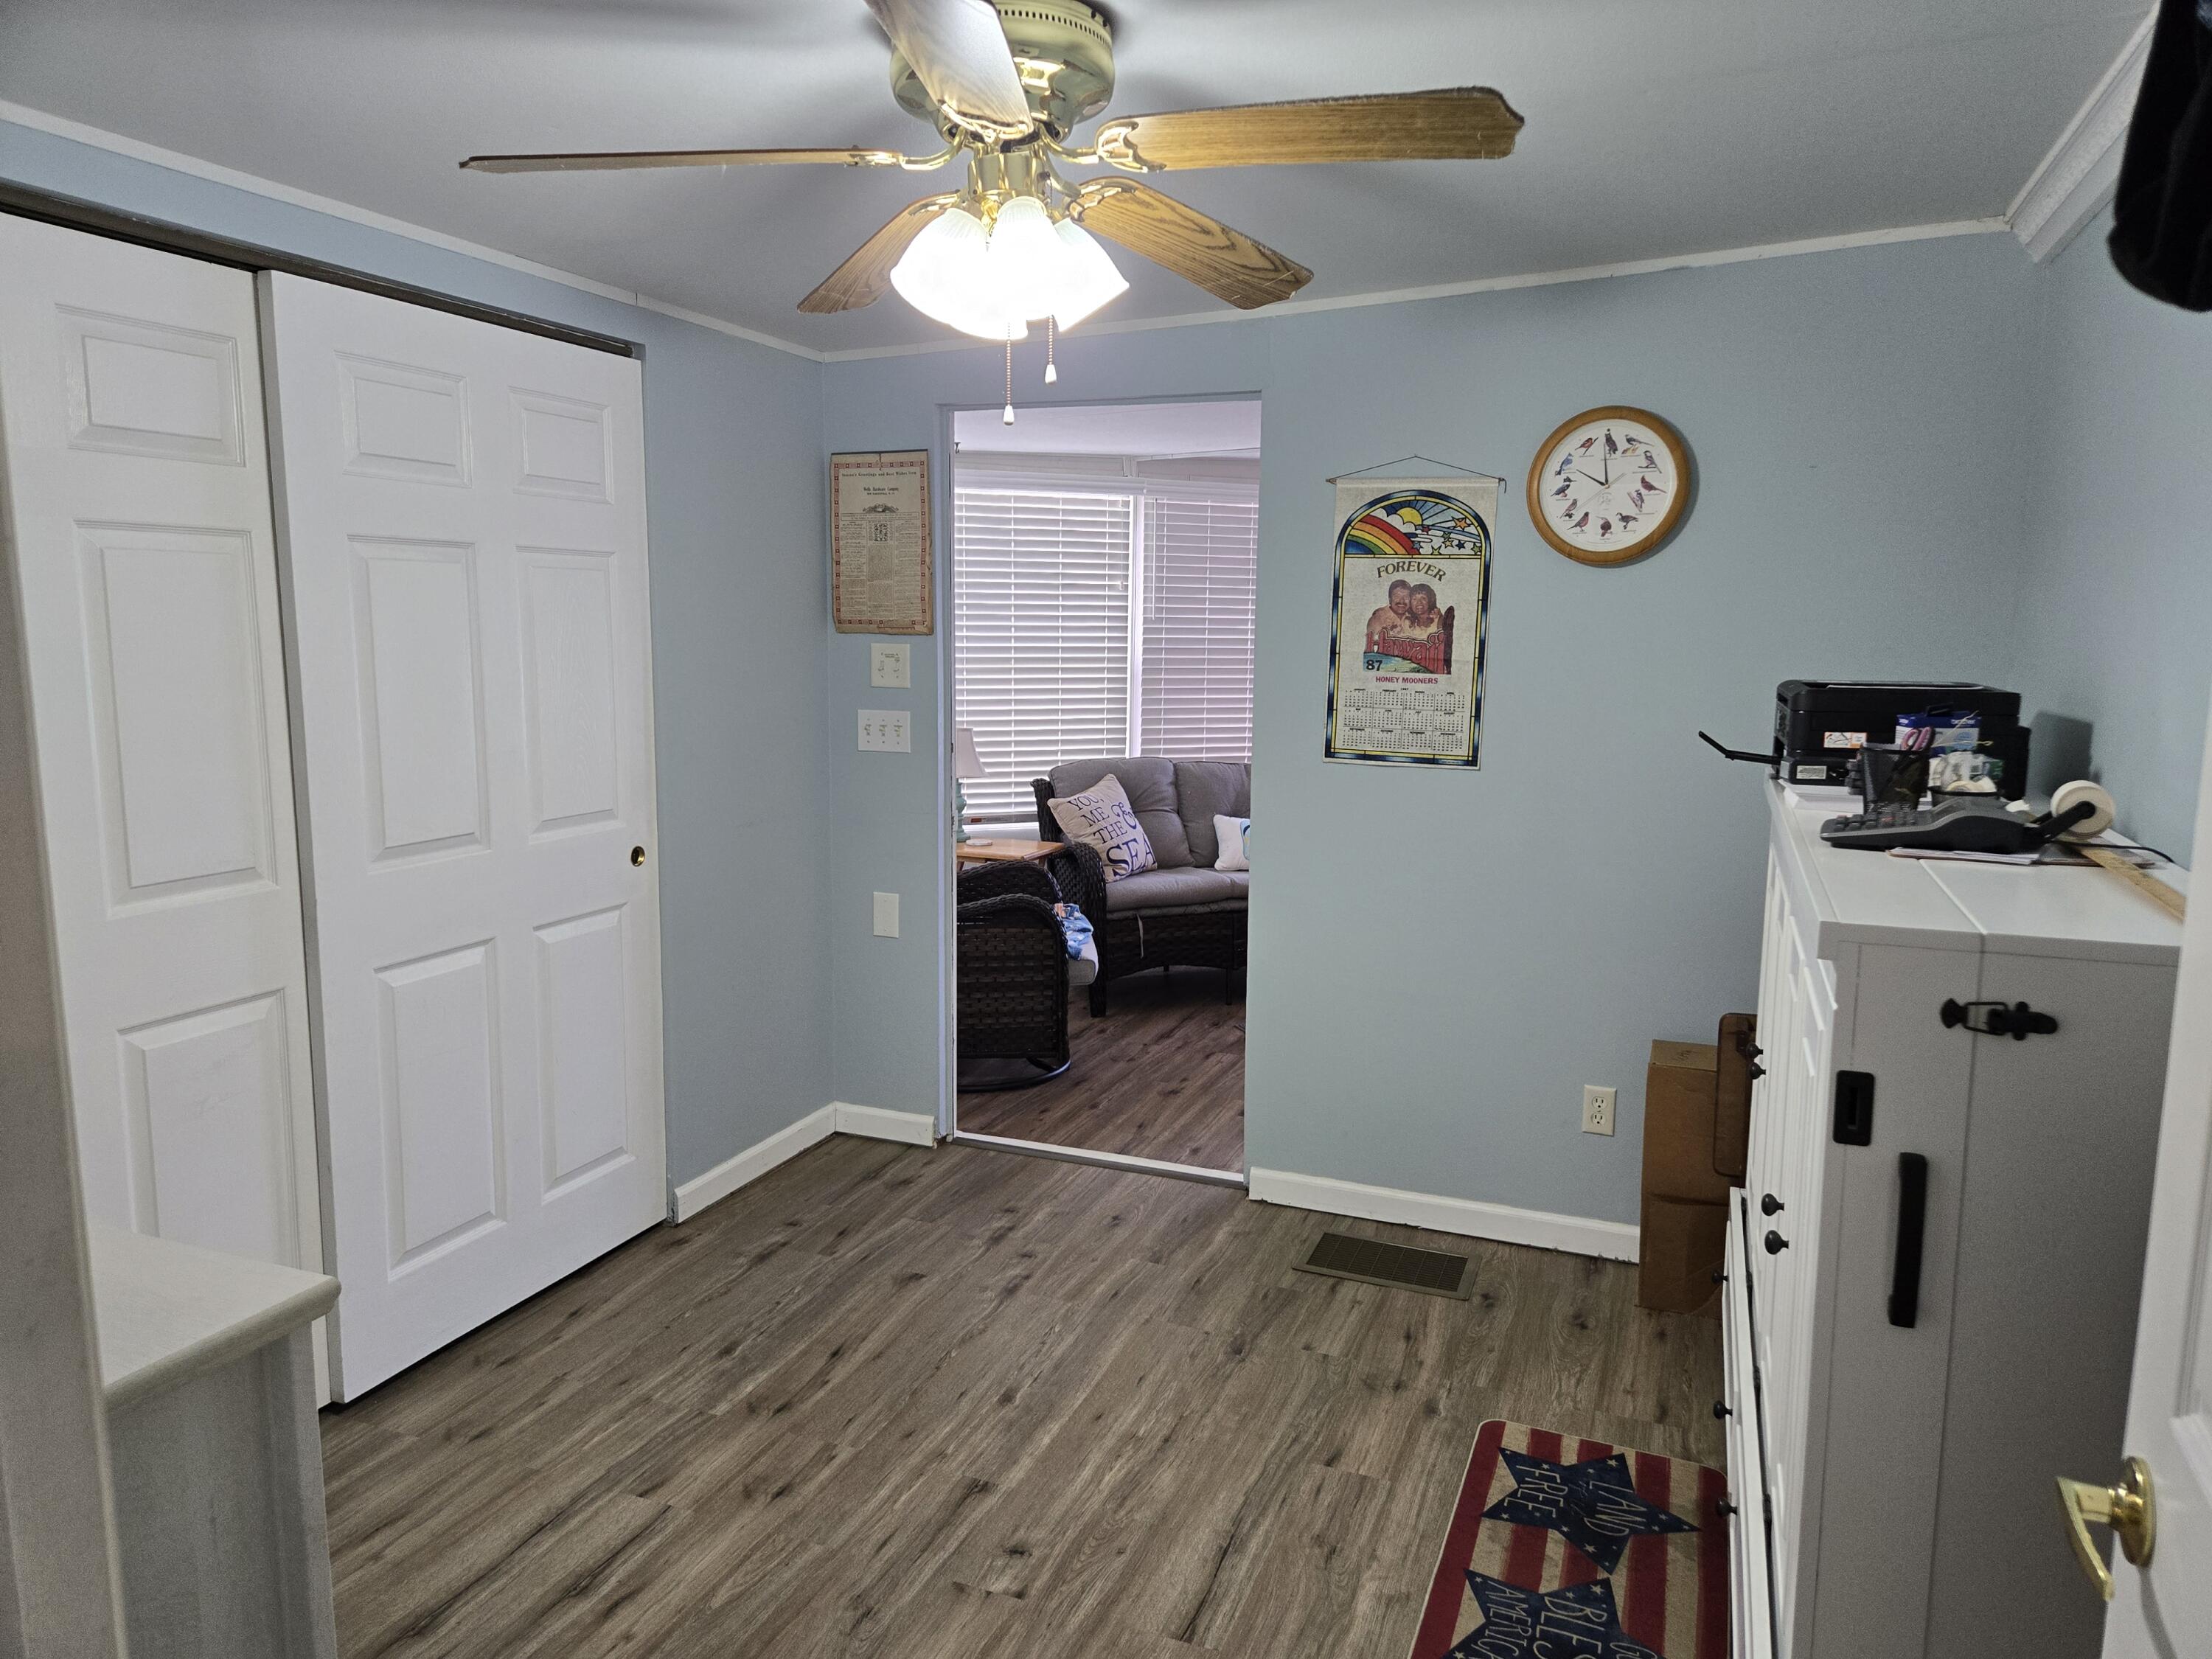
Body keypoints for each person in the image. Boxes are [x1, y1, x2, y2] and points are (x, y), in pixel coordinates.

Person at [1365, 580, 1413, 650]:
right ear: (1390, 599)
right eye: (1397, 597)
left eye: (1406, 597)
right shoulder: (1378, 619)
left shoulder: (1413, 617)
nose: (1402, 601)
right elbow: (1371, 652)